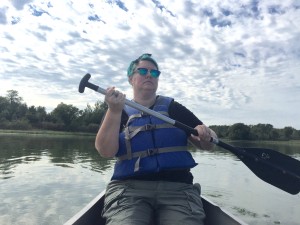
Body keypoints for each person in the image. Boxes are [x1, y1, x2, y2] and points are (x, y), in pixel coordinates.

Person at [95, 53, 217, 225]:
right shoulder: (117, 109)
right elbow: (105, 151)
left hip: (178, 190)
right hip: (129, 189)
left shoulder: (174, 109)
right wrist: (114, 111)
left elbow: (208, 143)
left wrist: (206, 134)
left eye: (154, 73)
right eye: (143, 71)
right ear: (131, 78)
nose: (149, 75)